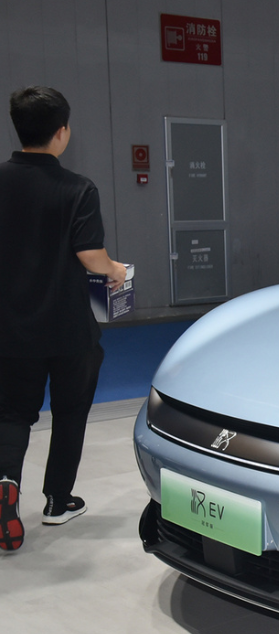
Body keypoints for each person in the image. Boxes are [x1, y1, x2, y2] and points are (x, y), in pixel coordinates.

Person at [0, 86, 126, 551]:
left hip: (10, 327)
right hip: (70, 326)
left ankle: (6, 485)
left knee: (12, 413)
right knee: (70, 412)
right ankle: (58, 501)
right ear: (61, 132)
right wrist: (115, 270)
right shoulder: (77, 188)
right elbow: (91, 256)